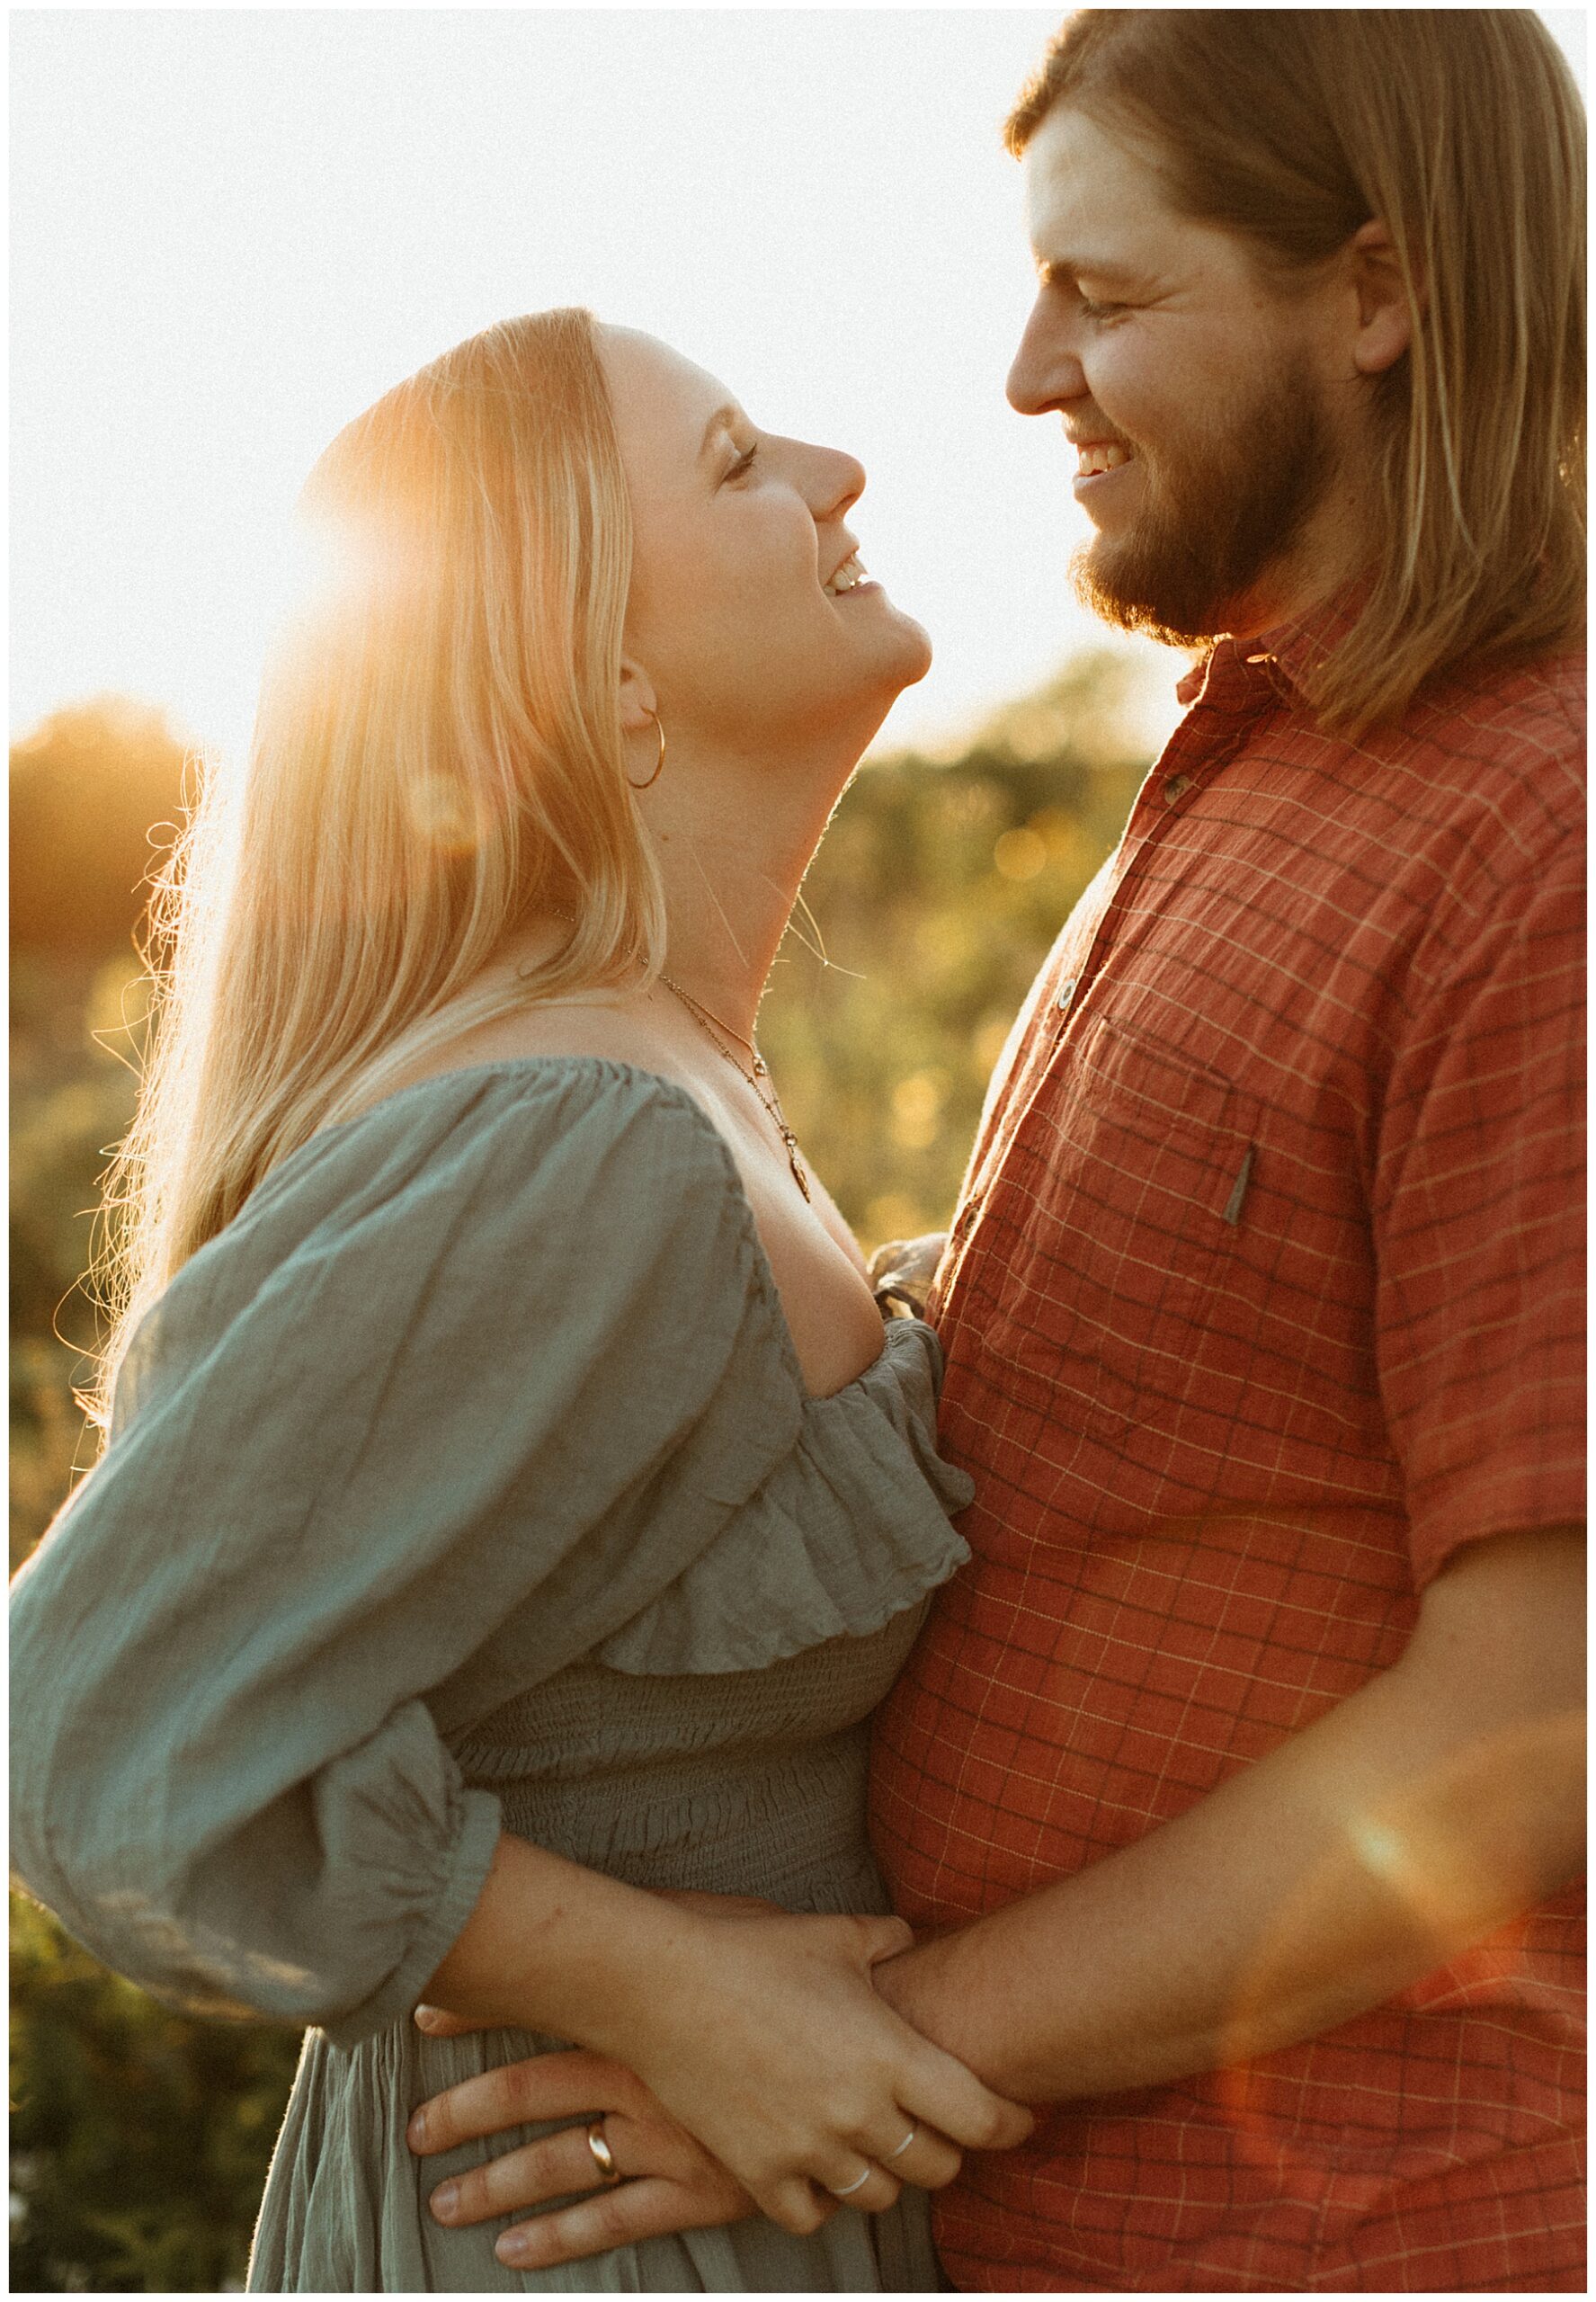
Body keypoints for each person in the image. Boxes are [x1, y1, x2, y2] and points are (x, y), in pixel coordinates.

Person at [401, 11, 1586, 2292]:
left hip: (1327, 2225)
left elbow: (1538, 1721)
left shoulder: (1541, 835)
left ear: (1379, 292)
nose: (1031, 373)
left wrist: (852, 2049)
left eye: (1110, 296)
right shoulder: (1258, 762)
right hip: (1032, 2210)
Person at [8, 307, 1034, 2293]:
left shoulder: (675, 1090)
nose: (838, 472)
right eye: (738, 461)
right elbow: (85, 1739)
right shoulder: (587, 1139)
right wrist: (653, 1976)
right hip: (579, 2225)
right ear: (606, 673)